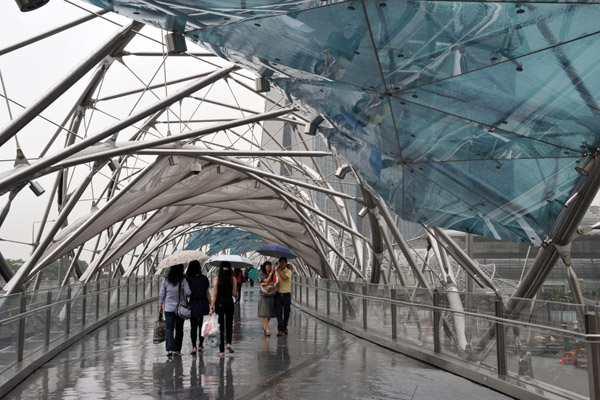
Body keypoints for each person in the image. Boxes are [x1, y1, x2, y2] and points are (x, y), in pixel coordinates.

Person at [159, 264, 191, 356]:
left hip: (168, 309)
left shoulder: (166, 280)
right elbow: (188, 293)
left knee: (169, 328)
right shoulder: (183, 280)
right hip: (180, 309)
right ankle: (177, 350)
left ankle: (169, 349)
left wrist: (160, 306)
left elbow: (162, 294)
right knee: (179, 329)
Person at [209, 261, 237, 356]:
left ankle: (221, 351)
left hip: (219, 304)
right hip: (229, 302)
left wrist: (212, 307)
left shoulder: (217, 279)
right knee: (229, 324)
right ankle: (228, 343)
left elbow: (215, 294)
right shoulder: (233, 279)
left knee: (220, 326)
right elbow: (234, 294)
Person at [186, 260, 211, 355]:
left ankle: (193, 347)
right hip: (204, 304)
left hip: (193, 304)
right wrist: (212, 306)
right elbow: (207, 293)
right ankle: (200, 345)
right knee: (202, 326)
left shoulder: (189, 280)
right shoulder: (204, 278)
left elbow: (188, 293)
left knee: (193, 327)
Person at [257, 261, 277, 336]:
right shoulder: (261, 273)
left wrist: (265, 284)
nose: (269, 266)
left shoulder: (274, 274)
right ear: (264, 266)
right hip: (263, 295)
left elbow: (274, 283)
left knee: (269, 313)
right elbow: (267, 280)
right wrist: (267, 281)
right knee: (265, 312)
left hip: (271, 294)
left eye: (270, 265)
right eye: (267, 265)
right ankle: (267, 329)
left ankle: (265, 326)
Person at [274, 257, 292, 336]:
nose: (282, 264)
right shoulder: (276, 272)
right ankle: (280, 329)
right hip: (278, 294)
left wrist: (278, 270)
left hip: (286, 295)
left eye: (283, 262)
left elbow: (284, 277)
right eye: (280, 262)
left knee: (287, 312)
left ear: (286, 263)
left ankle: (285, 326)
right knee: (279, 313)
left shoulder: (288, 271)